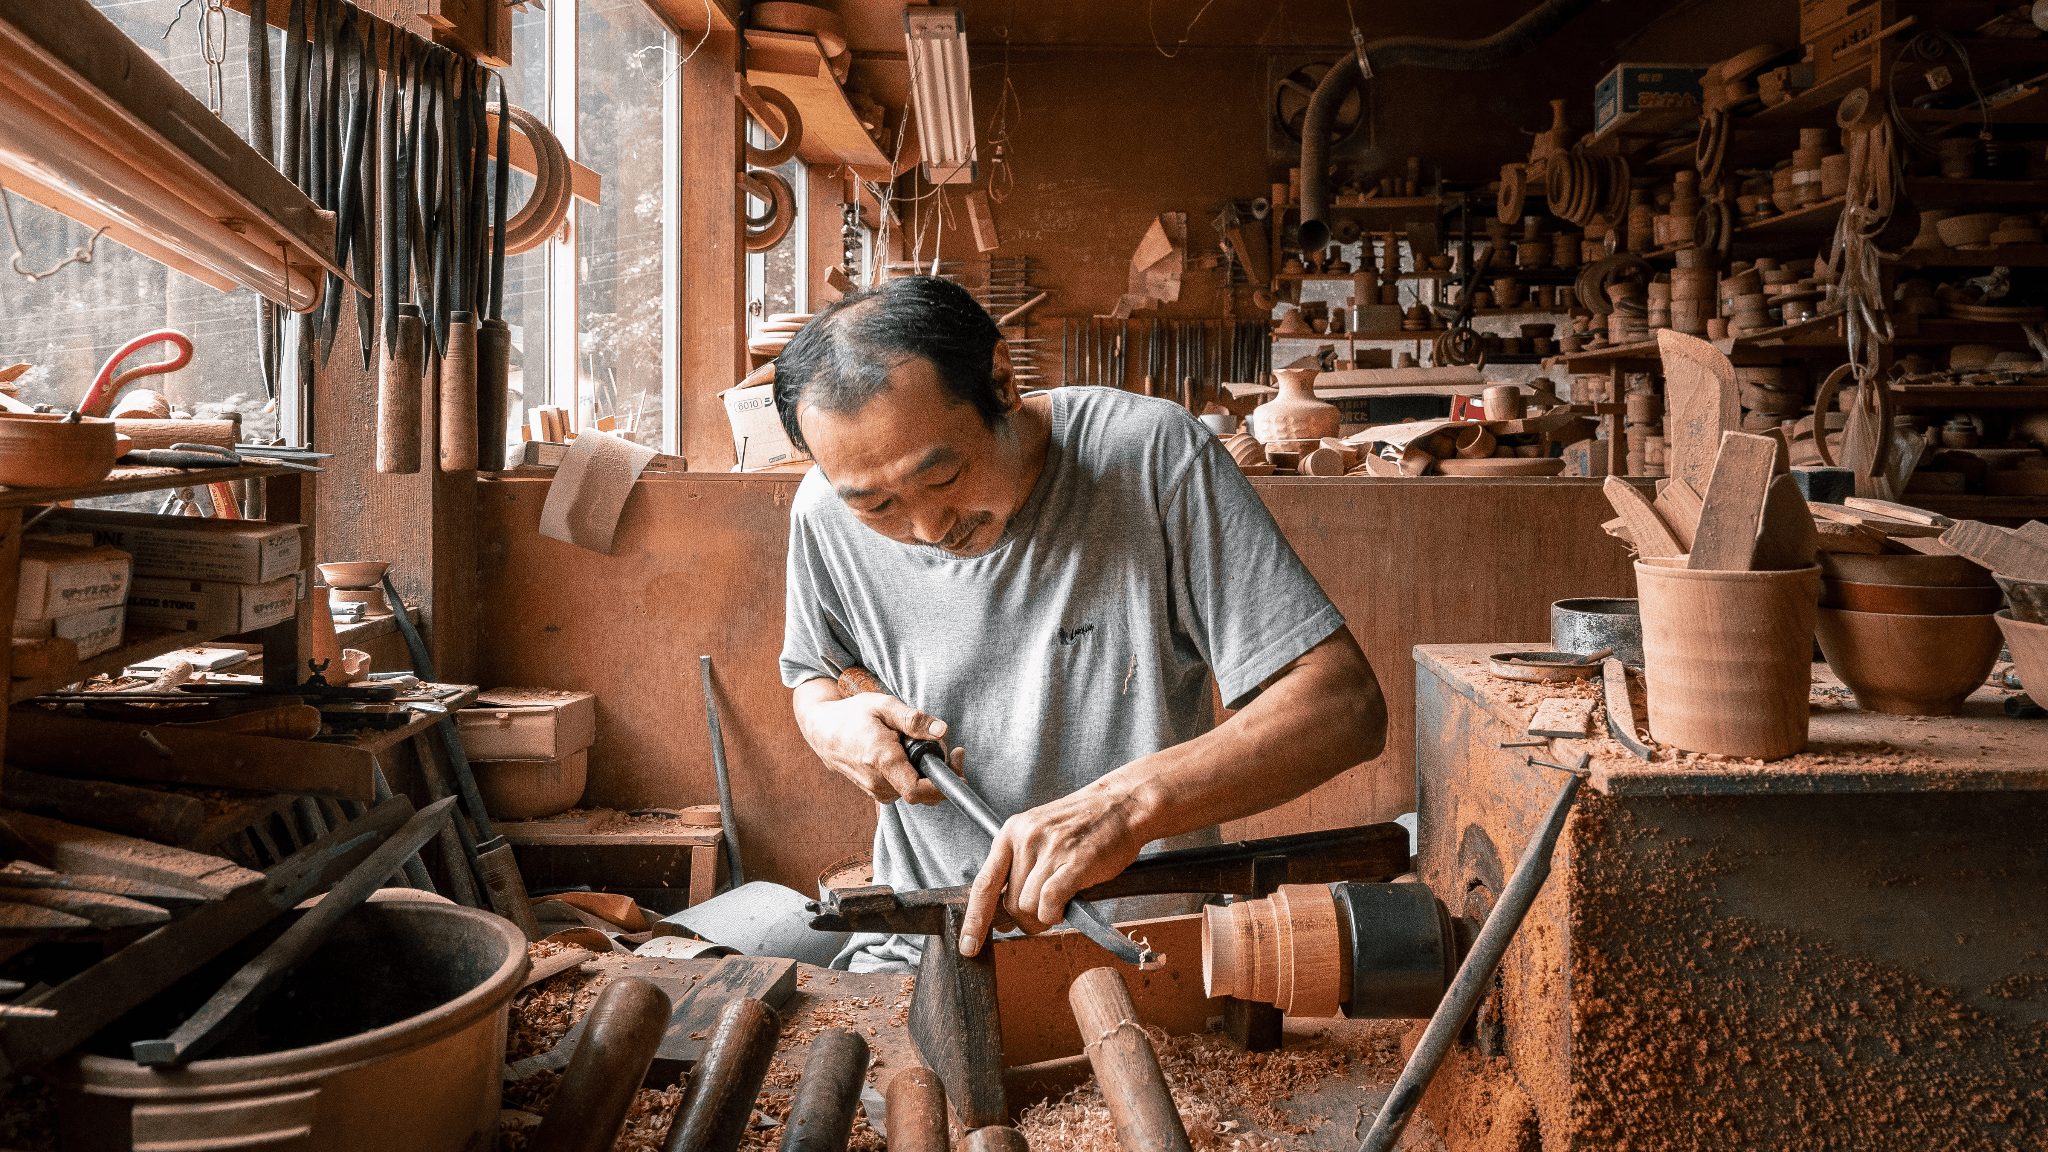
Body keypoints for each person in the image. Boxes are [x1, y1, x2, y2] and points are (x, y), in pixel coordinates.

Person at [773, 276, 1387, 972]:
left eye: (943, 479)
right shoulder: (823, 513)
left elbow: (1344, 704)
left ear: (1001, 381)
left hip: (1143, 950)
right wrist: (834, 729)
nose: (928, 528)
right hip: (929, 952)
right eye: (877, 507)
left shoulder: (1150, 456)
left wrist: (1126, 807)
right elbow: (815, 678)